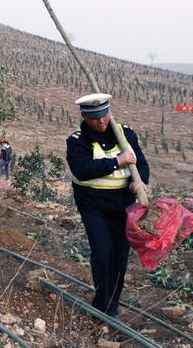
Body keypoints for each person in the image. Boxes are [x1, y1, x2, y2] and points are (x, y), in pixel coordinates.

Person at [67, 93, 149, 318]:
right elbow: (82, 170)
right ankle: (103, 303)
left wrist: (138, 182)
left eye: (104, 115)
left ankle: (111, 304)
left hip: (123, 205)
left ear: (109, 112)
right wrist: (117, 162)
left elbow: (141, 164)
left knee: (120, 255)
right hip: (93, 206)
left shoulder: (126, 134)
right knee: (102, 253)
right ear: (84, 116)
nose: (101, 121)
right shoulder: (77, 141)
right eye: (94, 118)